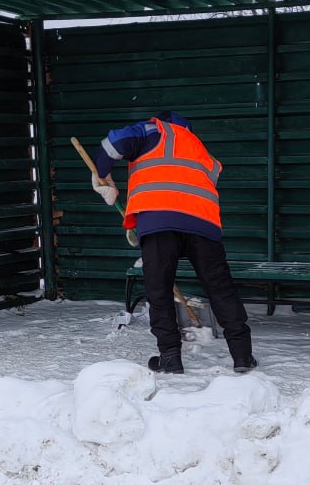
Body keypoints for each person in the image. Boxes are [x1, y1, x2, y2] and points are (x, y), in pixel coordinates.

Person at [91, 111, 257, 374]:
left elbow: (114, 144)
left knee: (159, 290)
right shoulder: (198, 147)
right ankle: (242, 356)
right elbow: (206, 180)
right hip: (203, 224)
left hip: (159, 221)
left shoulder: (153, 130)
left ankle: (170, 357)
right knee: (220, 288)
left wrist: (102, 175)